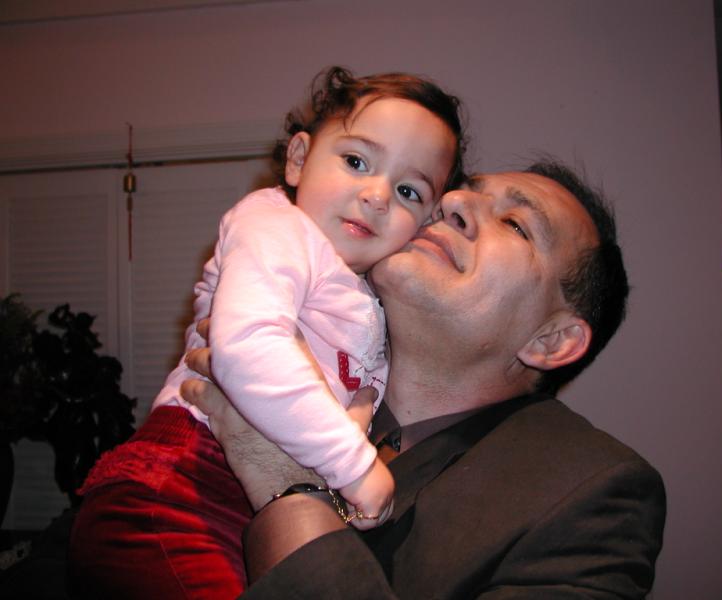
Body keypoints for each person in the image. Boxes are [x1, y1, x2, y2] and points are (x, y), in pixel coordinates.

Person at [180, 161, 667, 598]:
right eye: (461, 190)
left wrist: (288, 488)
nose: (450, 201)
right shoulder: (279, 362)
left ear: (552, 340)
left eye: (515, 224)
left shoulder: (595, 496)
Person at [68, 66, 465, 599]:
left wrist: (350, 438)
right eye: (356, 162)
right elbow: (247, 347)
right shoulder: (276, 226)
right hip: (178, 489)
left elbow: (354, 393)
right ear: (298, 159)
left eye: (408, 190)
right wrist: (353, 466)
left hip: (251, 506)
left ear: (426, 221)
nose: (377, 196)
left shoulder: (368, 294)